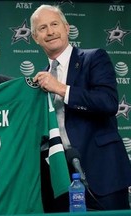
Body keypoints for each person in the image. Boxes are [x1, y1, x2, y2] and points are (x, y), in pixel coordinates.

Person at [31, 4, 131, 211]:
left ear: (67, 28)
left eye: (54, 24)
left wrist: (60, 88)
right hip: (60, 177)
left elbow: (108, 102)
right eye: (42, 28)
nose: (50, 32)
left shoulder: (94, 58)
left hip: (103, 172)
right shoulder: (40, 80)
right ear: (35, 38)